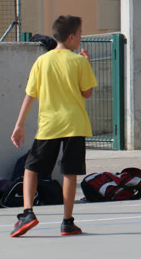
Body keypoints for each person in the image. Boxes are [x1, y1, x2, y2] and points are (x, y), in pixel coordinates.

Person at [10, 15, 97, 237]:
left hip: (49, 124)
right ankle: (67, 222)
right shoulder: (79, 62)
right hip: (74, 124)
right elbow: (87, 92)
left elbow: (30, 95)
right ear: (71, 37)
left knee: (31, 168)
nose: (81, 37)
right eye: (79, 34)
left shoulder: (42, 61)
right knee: (69, 172)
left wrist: (19, 124)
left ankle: (28, 213)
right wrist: (87, 63)